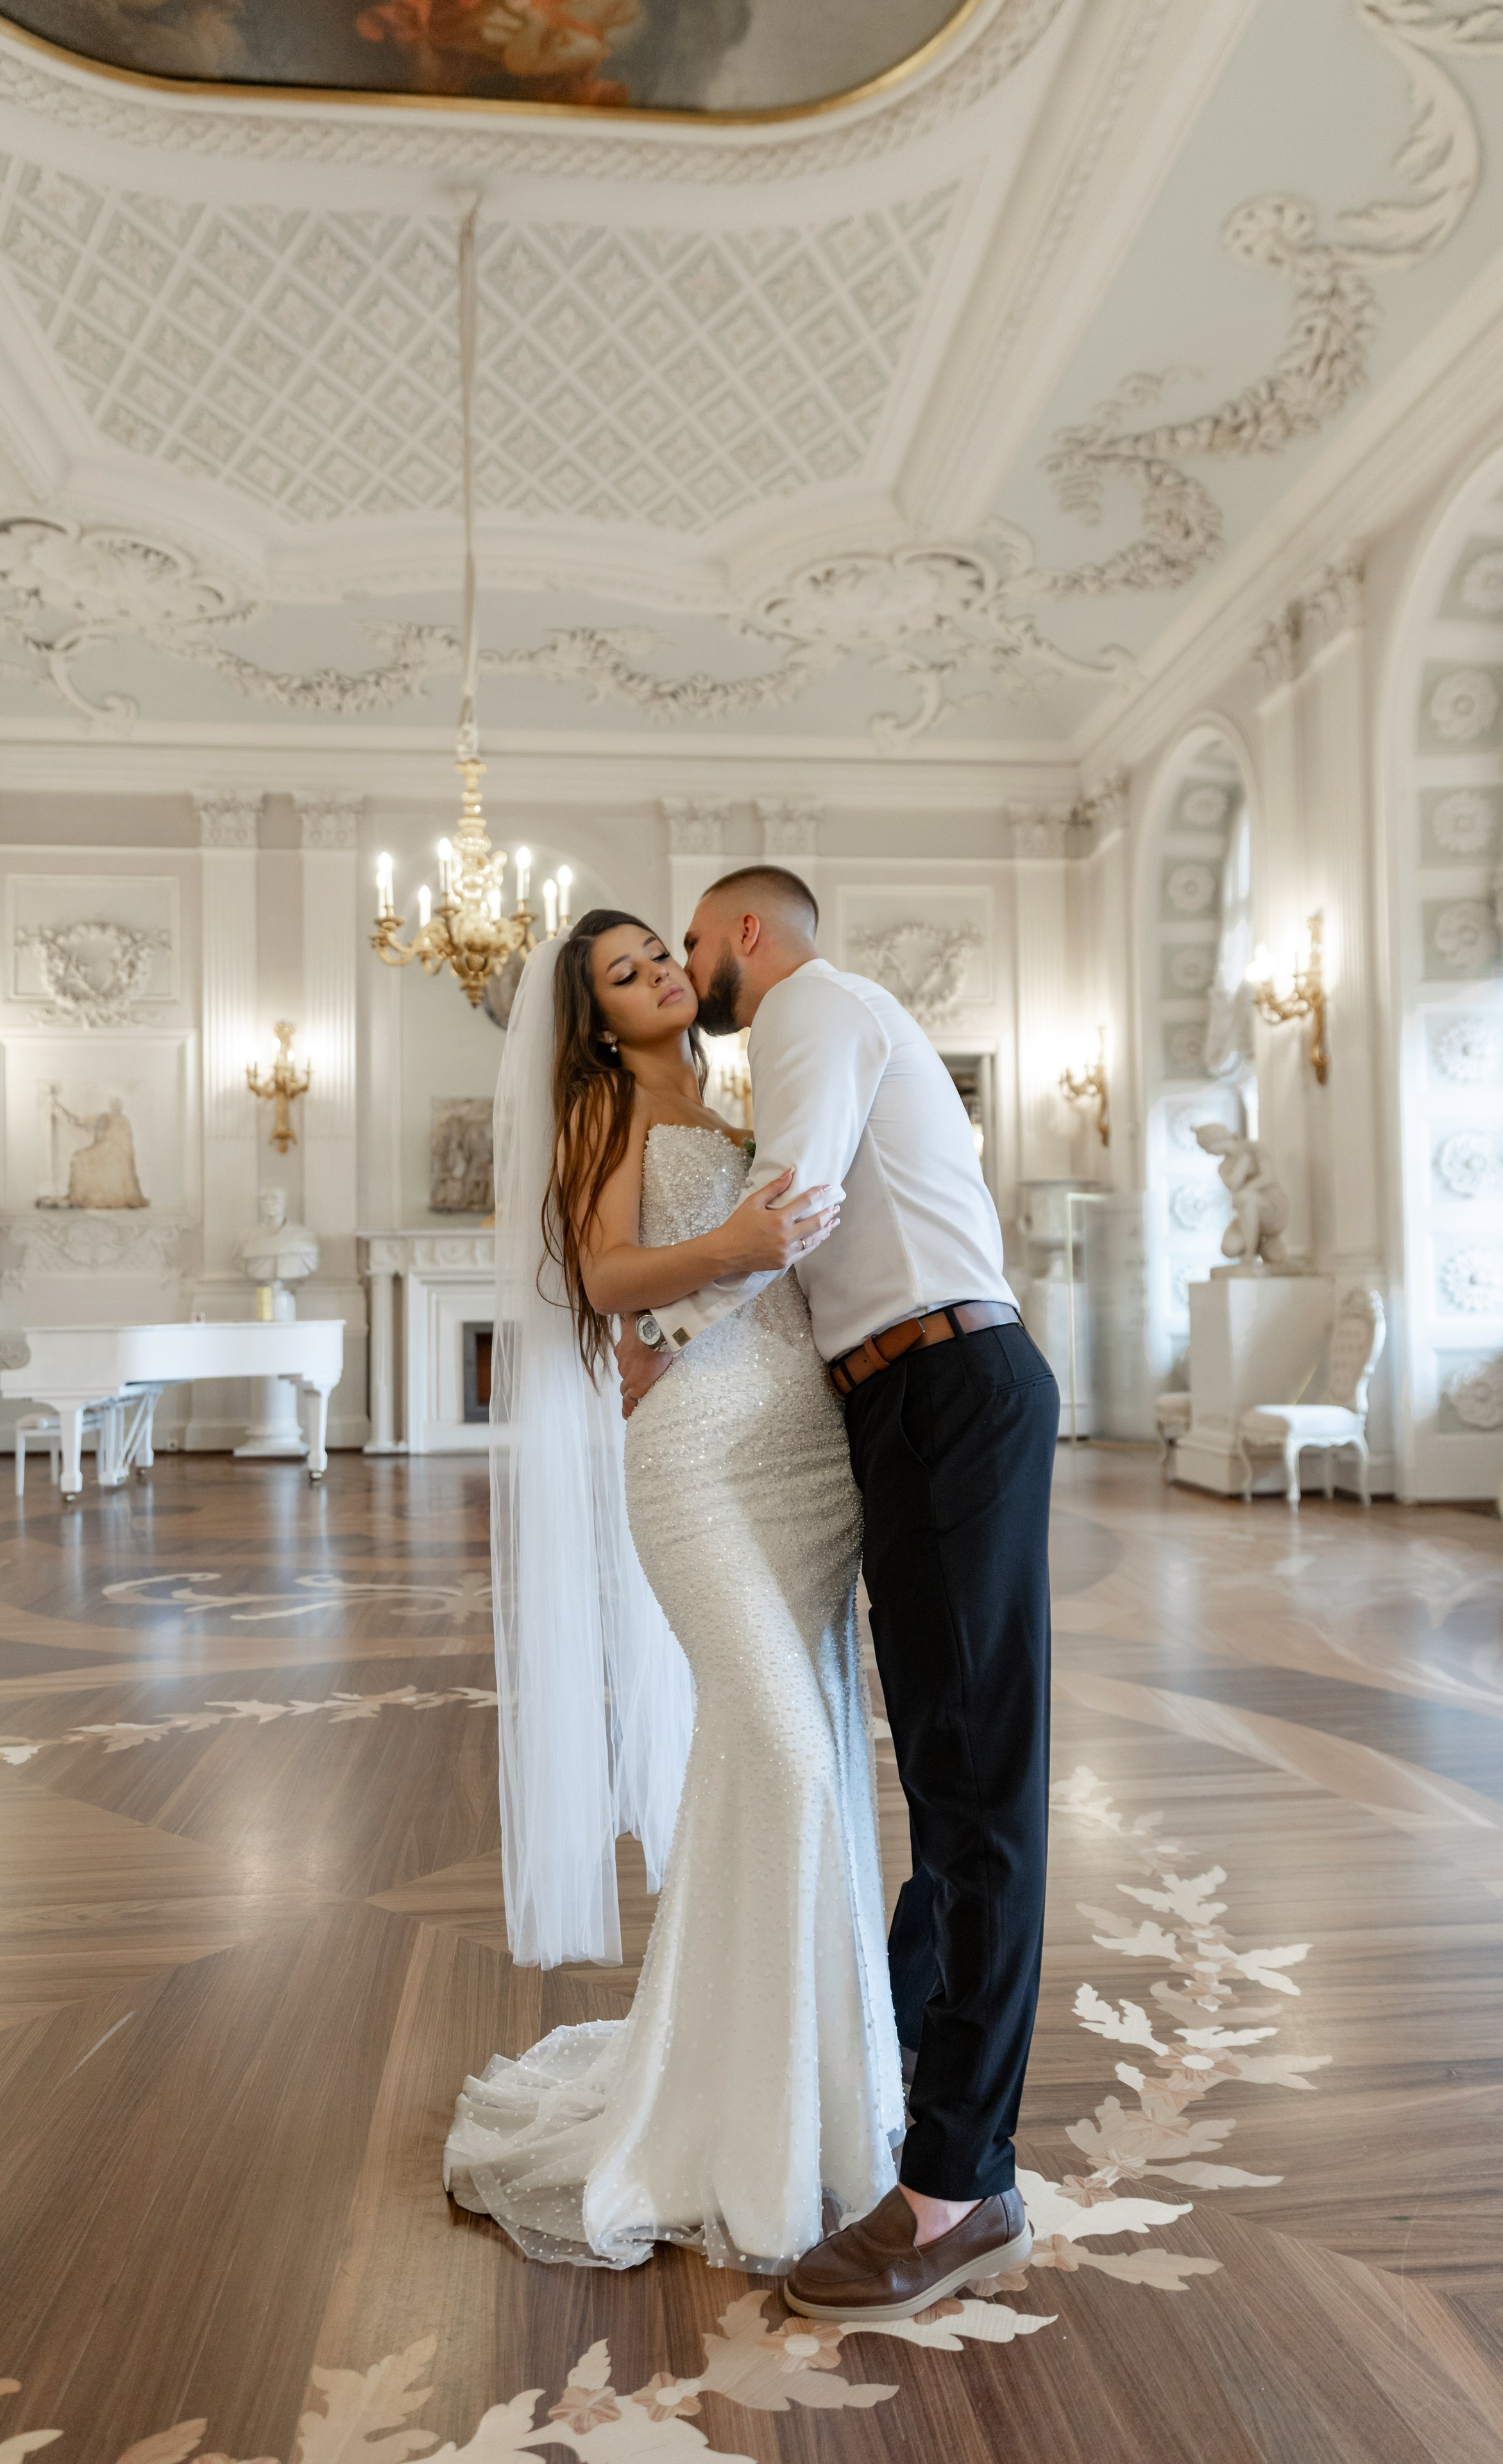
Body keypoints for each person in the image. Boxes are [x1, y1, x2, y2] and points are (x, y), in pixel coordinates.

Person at [618, 864, 1057, 2325]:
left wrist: (668, 1327)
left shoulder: (806, 1004)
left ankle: (956, 2188)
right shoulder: (817, 1024)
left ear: (747, 933)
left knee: (977, 1787)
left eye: (690, 947)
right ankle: (910, 2099)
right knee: (942, 1773)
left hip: (944, 1384)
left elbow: (786, 1207)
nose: (691, 976)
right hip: (905, 1401)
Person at [443, 910, 904, 2272]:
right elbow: (597, 1276)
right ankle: (716, 2118)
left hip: (809, 1453)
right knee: (779, 1750)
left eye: (660, 954)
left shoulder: (746, 1095)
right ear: (595, 1018)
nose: (659, 974)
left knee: (800, 1754)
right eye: (625, 972)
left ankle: (816, 2105)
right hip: (697, 1460)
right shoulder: (601, 1114)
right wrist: (718, 1264)